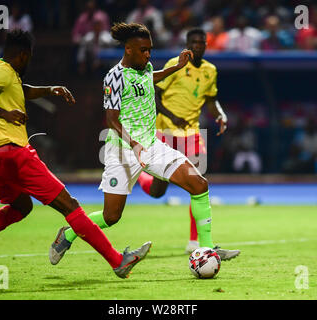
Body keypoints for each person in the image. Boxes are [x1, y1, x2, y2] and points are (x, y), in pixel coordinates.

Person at [0, 29, 151, 279]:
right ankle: (118, 261)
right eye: (29, 58)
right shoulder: (6, 72)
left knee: (21, 206)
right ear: (23, 56)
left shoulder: (1, 71)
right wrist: (5, 114)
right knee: (70, 206)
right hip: (16, 156)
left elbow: (21, 90)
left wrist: (49, 89)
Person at [49, 23, 240, 265]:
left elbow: (150, 78)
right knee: (111, 216)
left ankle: (206, 248)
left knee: (198, 184)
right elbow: (111, 119)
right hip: (121, 150)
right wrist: (135, 145)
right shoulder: (114, 76)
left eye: (150, 49)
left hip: (152, 144)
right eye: (143, 50)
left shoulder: (145, 67)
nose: (148, 54)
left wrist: (177, 68)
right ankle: (66, 234)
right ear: (128, 49)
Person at [137, 28, 230, 253]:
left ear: (206, 45)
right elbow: (153, 94)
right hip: (165, 132)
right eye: (193, 42)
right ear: (187, 44)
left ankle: (194, 241)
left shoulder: (210, 70)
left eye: (201, 42)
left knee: (197, 185)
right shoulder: (175, 63)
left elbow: (211, 100)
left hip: (192, 134)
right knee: (159, 191)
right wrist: (171, 116)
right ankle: (142, 177)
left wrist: (220, 114)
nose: (198, 45)